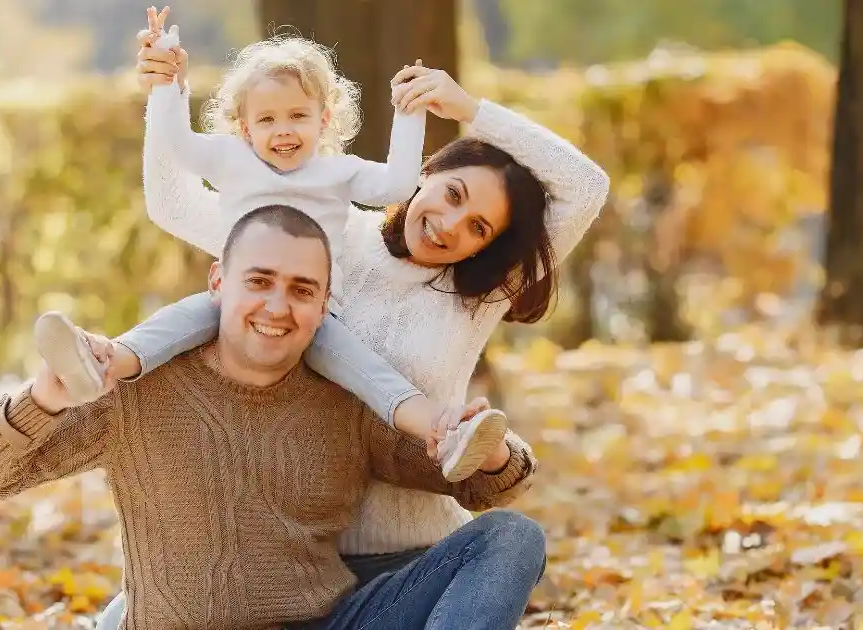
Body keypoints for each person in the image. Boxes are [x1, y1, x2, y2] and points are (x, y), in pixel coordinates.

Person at [131, 13, 609, 586]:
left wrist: (468, 109)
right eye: (452, 194)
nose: (450, 225)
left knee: (513, 542)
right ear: (425, 172)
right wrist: (165, 90)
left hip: (414, 560)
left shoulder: (477, 295)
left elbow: (586, 188)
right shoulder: (318, 239)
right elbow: (173, 205)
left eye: (478, 227)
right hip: (289, 567)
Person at [0, 205, 544, 630]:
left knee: (512, 538)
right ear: (219, 282)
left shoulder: (343, 401)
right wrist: (44, 397)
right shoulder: (137, 392)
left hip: (329, 621)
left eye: (302, 290)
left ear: (323, 306)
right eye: (259, 282)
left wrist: (494, 449)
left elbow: (480, 483)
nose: (277, 306)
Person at [34, 7, 510, 484]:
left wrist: (408, 115)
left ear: (324, 120)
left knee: (372, 375)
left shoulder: (337, 172)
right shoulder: (231, 158)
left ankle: (445, 432)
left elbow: (397, 186)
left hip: (315, 312)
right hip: (236, 298)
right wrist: (167, 84)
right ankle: (100, 362)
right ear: (245, 128)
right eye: (267, 119)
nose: (283, 130)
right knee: (175, 323)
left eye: (298, 115)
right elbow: (178, 145)